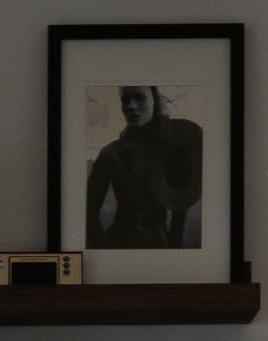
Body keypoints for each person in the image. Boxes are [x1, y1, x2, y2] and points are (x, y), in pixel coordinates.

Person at [85, 85, 202, 249]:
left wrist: (175, 247)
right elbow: (88, 212)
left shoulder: (171, 148)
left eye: (139, 98)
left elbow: (181, 202)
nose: (131, 106)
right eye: (125, 100)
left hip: (161, 246)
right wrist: (104, 249)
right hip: (119, 245)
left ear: (154, 100)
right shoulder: (110, 153)